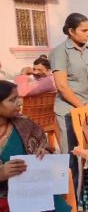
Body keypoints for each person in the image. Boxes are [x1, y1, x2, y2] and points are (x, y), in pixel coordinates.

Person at [49, 13, 88, 192]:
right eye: (84, 30)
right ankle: (69, 197)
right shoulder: (60, 52)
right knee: (70, 154)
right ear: (71, 31)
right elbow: (62, 86)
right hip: (68, 110)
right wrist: (82, 108)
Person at [0, 80, 71, 211]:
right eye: (12, 100)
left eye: (18, 98)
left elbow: (47, 148)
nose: (19, 103)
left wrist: (44, 153)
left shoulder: (25, 125)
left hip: (33, 193)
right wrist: (2, 173)